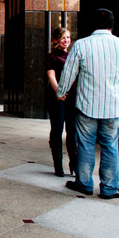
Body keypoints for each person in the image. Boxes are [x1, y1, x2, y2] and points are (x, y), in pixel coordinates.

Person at [56, 9, 119, 199]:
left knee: (85, 144)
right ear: (112, 25)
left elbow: (69, 72)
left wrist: (61, 91)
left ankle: (84, 183)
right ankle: (109, 188)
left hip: (87, 105)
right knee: (110, 145)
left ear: (93, 25)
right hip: (113, 106)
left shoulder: (82, 45)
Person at [45, 27, 77, 177]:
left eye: (69, 37)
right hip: (57, 98)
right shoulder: (51, 57)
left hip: (72, 97)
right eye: (64, 38)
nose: (67, 40)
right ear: (56, 40)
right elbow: (51, 74)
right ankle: (58, 165)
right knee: (57, 129)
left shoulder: (72, 56)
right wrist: (58, 91)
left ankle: (74, 163)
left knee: (73, 131)